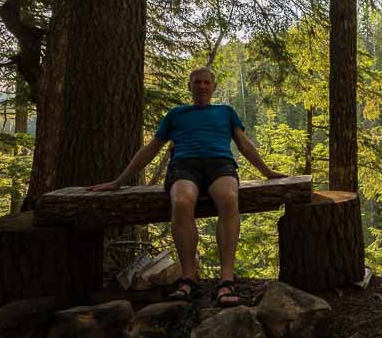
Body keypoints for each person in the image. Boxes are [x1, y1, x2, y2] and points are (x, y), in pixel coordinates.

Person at [87, 66, 285, 306]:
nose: (202, 86)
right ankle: (188, 278)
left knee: (229, 197)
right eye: (197, 82)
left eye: (206, 83)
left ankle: (226, 280)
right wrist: (119, 181)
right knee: (181, 202)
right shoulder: (176, 114)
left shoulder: (226, 112)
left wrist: (266, 171)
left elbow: (244, 144)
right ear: (189, 86)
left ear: (213, 87)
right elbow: (151, 148)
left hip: (219, 165)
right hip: (184, 166)